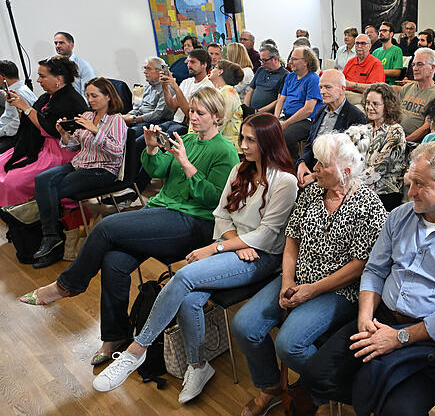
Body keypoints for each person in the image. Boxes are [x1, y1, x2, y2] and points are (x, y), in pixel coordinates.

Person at [19, 87, 240, 369]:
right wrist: (151, 148)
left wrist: (185, 163)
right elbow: (158, 170)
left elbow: (215, 200)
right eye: (192, 111)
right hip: (163, 210)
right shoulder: (186, 138)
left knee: (106, 227)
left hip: (193, 221)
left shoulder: (225, 151)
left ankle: (66, 286)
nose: (193, 117)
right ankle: (115, 336)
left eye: (200, 113)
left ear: (217, 116)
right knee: (114, 261)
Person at [89, 114, 298, 400]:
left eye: (251, 140)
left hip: (261, 257)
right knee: (189, 300)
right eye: (243, 138)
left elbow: (268, 236)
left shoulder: (285, 181)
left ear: (269, 143)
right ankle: (198, 366)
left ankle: (136, 350)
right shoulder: (239, 169)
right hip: (236, 247)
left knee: (184, 276)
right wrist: (233, 243)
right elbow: (221, 215)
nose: (243, 145)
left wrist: (216, 248)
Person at [302, 141, 435, 416]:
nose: (410, 191)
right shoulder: (399, 216)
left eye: (419, 184)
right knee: (315, 376)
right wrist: (365, 318)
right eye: (410, 181)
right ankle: (369, 395)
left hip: (429, 335)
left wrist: (399, 337)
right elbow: (375, 270)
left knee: (397, 410)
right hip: (381, 317)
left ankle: (373, 396)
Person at [232, 133, 386, 416]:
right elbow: (292, 238)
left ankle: (324, 394)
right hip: (298, 277)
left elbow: (359, 266)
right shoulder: (313, 191)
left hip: (338, 289)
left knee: (289, 345)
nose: (314, 168)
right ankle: (270, 386)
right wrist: (287, 281)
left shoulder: (370, 205)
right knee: (244, 326)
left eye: (322, 164)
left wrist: (311, 290)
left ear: (345, 171)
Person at [32, 78, 127, 268]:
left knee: (52, 190)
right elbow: (74, 145)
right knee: (42, 180)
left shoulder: (116, 120)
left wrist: (95, 131)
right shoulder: (86, 115)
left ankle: (53, 237)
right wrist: (64, 134)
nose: (90, 100)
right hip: (80, 163)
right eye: (88, 95)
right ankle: (52, 236)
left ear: (108, 96)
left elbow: (117, 151)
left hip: (102, 169)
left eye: (94, 96)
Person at [0, 56, 89, 207]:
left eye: (42, 76)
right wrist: (20, 107)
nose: (38, 80)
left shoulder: (71, 100)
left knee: (11, 182)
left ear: (58, 79)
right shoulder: (47, 97)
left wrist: (25, 107)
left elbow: (49, 128)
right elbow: (34, 122)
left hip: (60, 150)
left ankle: (22, 216)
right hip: (41, 145)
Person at [296, 69, 366, 187]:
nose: (322, 92)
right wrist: (302, 162)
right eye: (321, 87)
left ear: (342, 89)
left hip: (335, 177)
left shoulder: (356, 116)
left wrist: (314, 176)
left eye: (328, 87)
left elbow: (351, 160)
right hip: (313, 166)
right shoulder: (320, 111)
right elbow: (310, 143)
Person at [346, 83, 407, 211]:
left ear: (388, 106)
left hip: (385, 192)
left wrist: (349, 184)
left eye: (375, 104)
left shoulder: (395, 132)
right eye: (368, 103)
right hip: (360, 187)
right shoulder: (365, 129)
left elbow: (379, 169)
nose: (369, 107)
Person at [273, 46, 324, 161]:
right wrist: (275, 119)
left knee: (286, 135)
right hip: (288, 117)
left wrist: (285, 124)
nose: (290, 62)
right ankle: (277, 164)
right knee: (266, 130)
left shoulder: (313, 79)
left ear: (305, 62)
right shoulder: (290, 76)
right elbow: (281, 99)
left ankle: (295, 165)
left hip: (306, 120)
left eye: (294, 59)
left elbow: (308, 110)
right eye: (290, 59)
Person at [159, 48, 214, 137]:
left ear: (204, 65)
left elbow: (190, 113)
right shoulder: (186, 82)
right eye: (188, 62)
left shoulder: (207, 87)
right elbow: (172, 106)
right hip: (174, 121)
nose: (188, 65)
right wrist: (165, 86)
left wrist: (176, 88)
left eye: (192, 62)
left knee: (160, 140)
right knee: (148, 135)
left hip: (187, 126)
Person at [399, 47, 435, 142]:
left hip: (414, 143)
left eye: (420, 64)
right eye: (413, 64)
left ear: (432, 68)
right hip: (396, 136)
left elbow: (426, 128)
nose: (415, 68)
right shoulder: (406, 88)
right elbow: (395, 115)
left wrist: (403, 142)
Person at [122, 57, 170, 138]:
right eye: (145, 68)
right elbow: (140, 108)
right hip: (140, 119)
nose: (145, 72)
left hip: (154, 122)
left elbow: (158, 114)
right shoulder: (148, 86)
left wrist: (134, 119)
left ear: (160, 71)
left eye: (148, 69)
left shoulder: (166, 88)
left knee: (128, 135)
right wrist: (126, 116)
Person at [205, 60, 245, 148]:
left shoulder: (228, 92)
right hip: (219, 143)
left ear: (220, 71)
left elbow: (221, 121)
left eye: (214, 67)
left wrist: (203, 139)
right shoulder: (220, 91)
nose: (211, 70)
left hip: (228, 146)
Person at [0, 60, 36, 153]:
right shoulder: (23, 88)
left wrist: (1, 131)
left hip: (16, 137)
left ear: (1, 77)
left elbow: (16, 125)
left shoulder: (16, 94)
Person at [244, 45, 289, 115]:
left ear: (275, 59)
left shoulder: (285, 75)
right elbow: (250, 91)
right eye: (261, 60)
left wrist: (258, 112)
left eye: (264, 60)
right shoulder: (261, 70)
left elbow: (279, 100)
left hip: (267, 115)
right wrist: (245, 109)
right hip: (252, 112)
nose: (262, 64)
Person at [53, 31, 96, 99]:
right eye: (56, 43)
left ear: (72, 45)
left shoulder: (83, 66)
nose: (57, 46)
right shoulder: (52, 65)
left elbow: (88, 93)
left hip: (77, 103)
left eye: (61, 43)